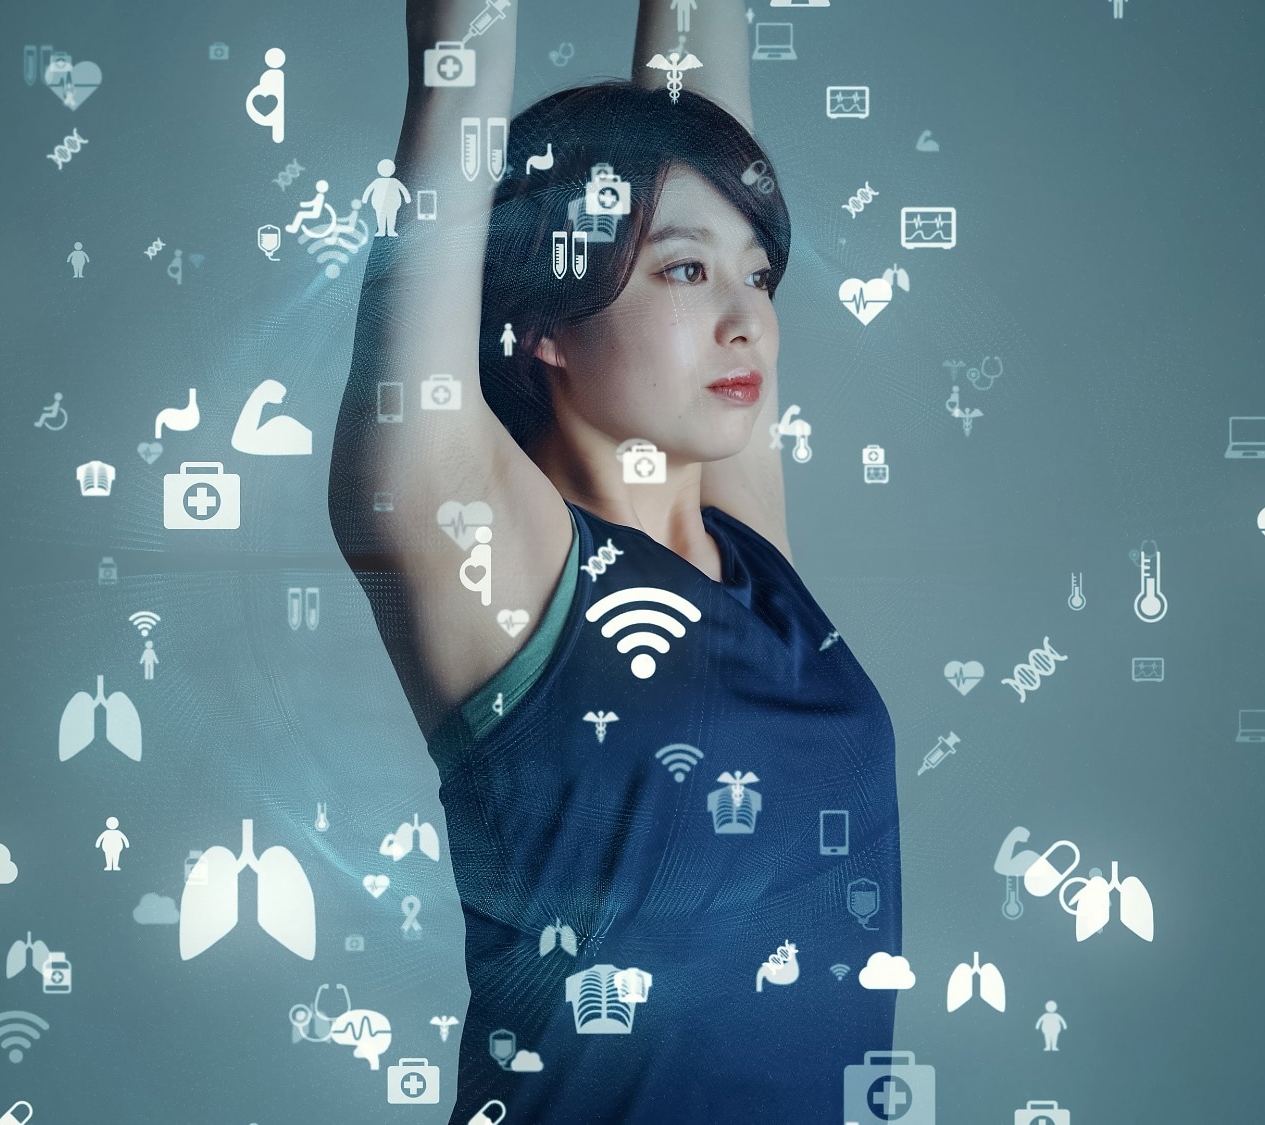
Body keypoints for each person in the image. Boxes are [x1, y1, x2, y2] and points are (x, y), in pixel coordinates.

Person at [328, 2, 900, 1121]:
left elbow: (702, 119)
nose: (747, 321)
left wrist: (707, 232)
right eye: (683, 274)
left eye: (759, 275)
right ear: (541, 318)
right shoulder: (490, 557)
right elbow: (455, 82)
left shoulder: (746, 550)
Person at [362, 159, 412, 237]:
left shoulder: (393, 181)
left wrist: (407, 198)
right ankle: (382, 231)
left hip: (391, 204)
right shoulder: (378, 181)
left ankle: (390, 231)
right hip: (380, 204)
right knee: (382, 217)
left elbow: (403, 189)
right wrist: (364, 199)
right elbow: (369, 189)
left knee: (390, 217)